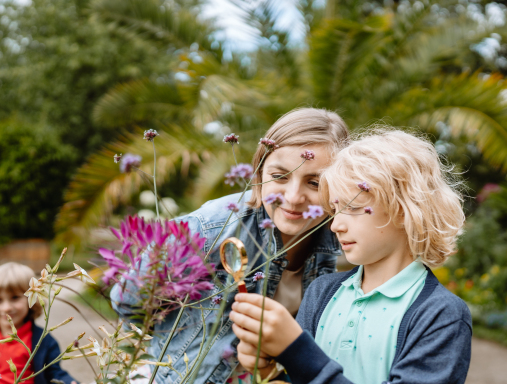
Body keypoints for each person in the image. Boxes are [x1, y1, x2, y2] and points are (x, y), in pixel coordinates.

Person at [111, 108, 349, 384]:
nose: (294, 197)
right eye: (280, 176)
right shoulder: (211, 227)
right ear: (259, 172)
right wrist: (175, 343)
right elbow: (127, 300)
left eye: (314, 182)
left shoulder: (343, 238)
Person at [230, 129, 472, 384]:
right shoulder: (322, 292)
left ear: (403, 210)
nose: (336, 226)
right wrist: (269, 371)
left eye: (354, 208)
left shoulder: (441, 314)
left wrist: (296, 349)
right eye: (335, 210)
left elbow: (309, 366)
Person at [0, 262, 77, 384]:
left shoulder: (44, 340)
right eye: (0, 300)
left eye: (15, 297)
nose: (6, 308)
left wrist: (69, 382)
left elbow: (54, 372)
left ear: (34, 297)